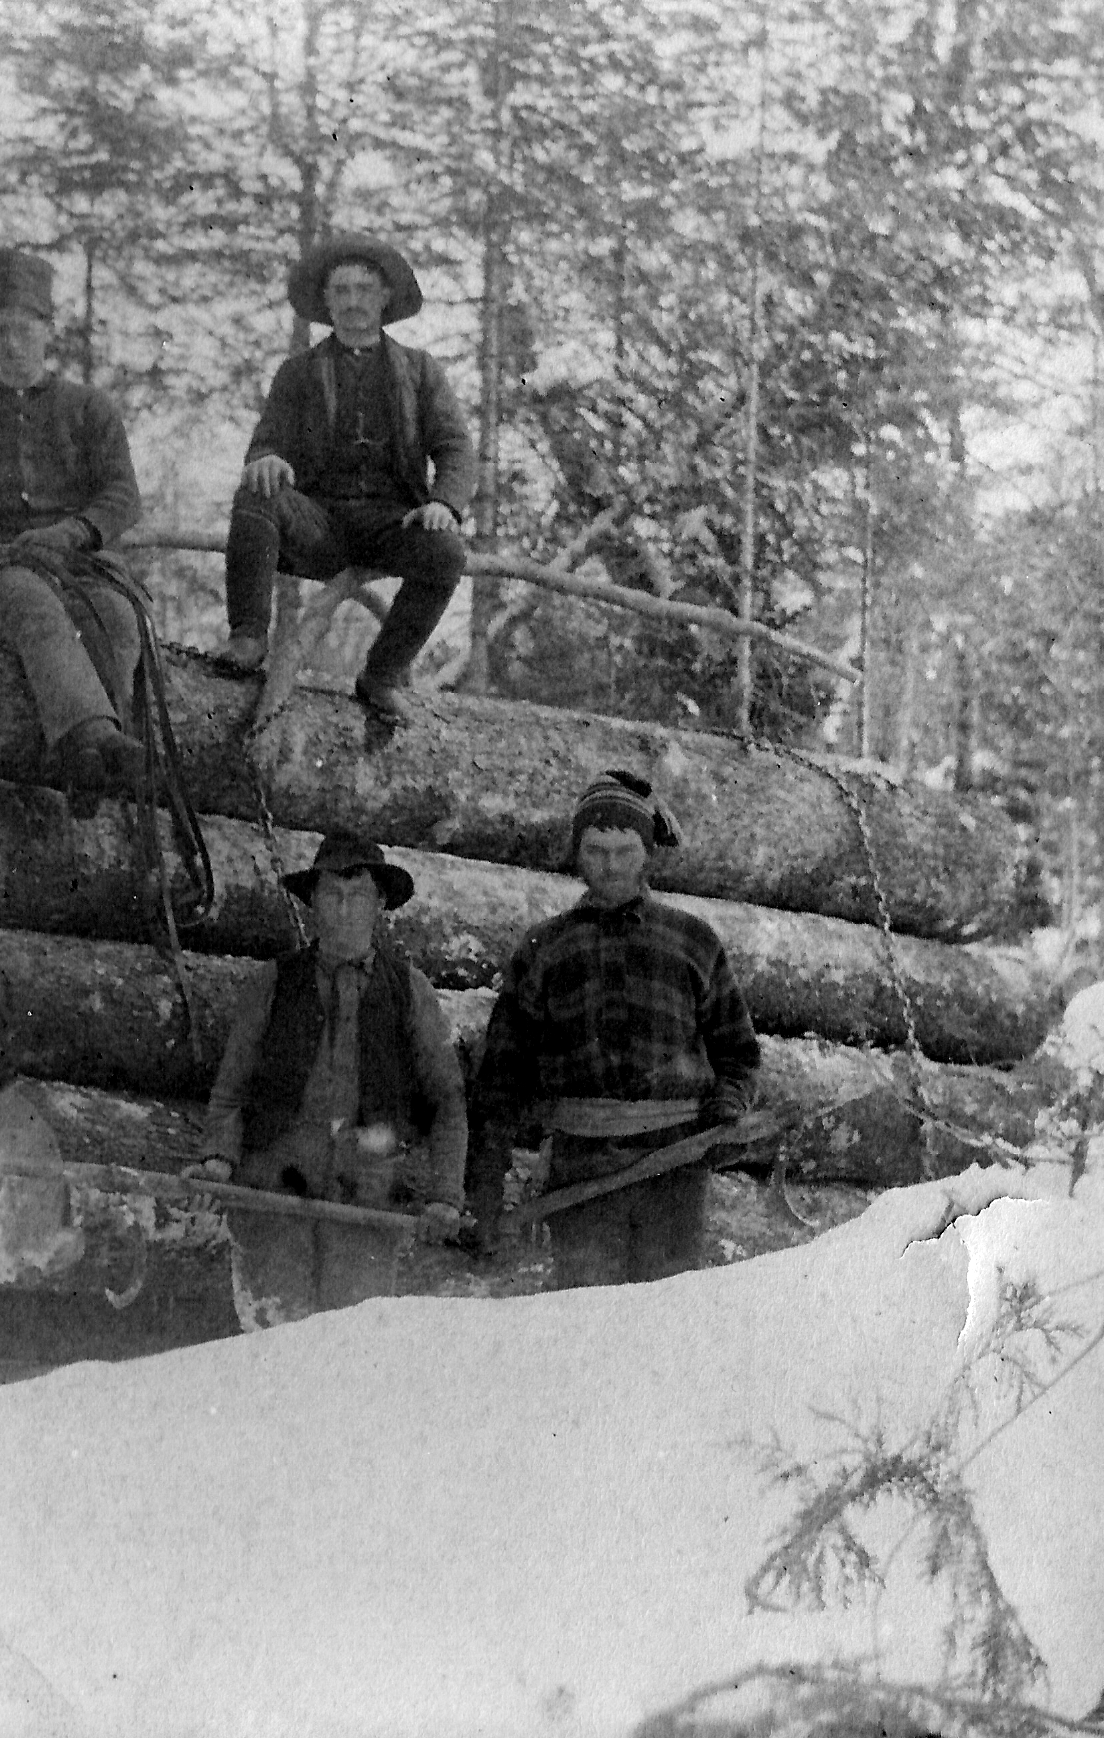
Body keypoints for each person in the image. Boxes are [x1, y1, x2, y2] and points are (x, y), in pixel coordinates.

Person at [466, 771, 764, 1288]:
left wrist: (726, 1110)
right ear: (576, 854)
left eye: (624, 850)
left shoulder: (693, 942)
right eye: (596, 849)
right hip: (582, 1167)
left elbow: (738, 1054)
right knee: (587, 1321)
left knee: (666, 1316)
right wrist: (487, 1192)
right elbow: (500, 1079)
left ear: (646, 854)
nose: (610, 865)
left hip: (675, 1166)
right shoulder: (544, 949)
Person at [0, 245, 152, 796]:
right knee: (34, 607)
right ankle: (94, 741)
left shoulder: (89, 409)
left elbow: (122, 495)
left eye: (22, 329)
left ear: (48, 330)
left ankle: (88, 768)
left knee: (116, 616)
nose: (11, 344)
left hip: (78, 559)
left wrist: (71, 533)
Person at [191, 832, 469, 1323]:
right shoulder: (273, 985)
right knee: (273, 1345)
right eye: (332, 896)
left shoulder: (410, 992)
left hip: (364, 1206)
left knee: (351, 1353)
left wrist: (445, 1195)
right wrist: (218, 1159)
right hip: (274, 1199)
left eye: (358, 896)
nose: (344, 910)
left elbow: (446, 1101)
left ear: (380, 903)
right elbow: (232, 1091)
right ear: (313, 903)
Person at [211, 233, 476, 733]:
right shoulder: (298, 373)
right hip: (320, 526)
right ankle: (247, 638)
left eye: (364, 289)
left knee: (446, 551)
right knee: (255, 491)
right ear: (327, 303)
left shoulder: (419, 372)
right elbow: (264, 443)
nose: (353, 301)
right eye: (342, 291)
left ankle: (382, 675)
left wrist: (445, 503)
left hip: (393, 525)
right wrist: (267, 461)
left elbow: (457, 448)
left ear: (384, 299)